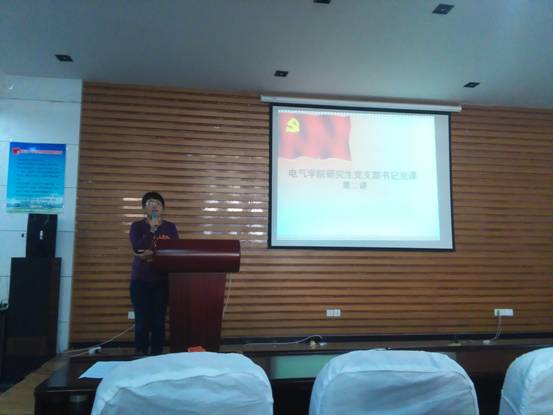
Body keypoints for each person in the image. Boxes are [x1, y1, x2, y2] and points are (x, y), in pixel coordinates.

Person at [129, 191, 178, 355]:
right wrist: (151, 230)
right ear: (144, 208)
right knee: (141, 321)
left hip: (162, 280)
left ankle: (157, 356)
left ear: (163, 208)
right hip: (140, 280)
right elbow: (137, 248)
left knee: (158, 321)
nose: (154, 206)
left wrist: (151, 255)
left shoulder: (170, 227)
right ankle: (140, 355)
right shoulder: (137, 226)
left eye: (158, 203)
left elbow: (175, 250)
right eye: (150, 203)